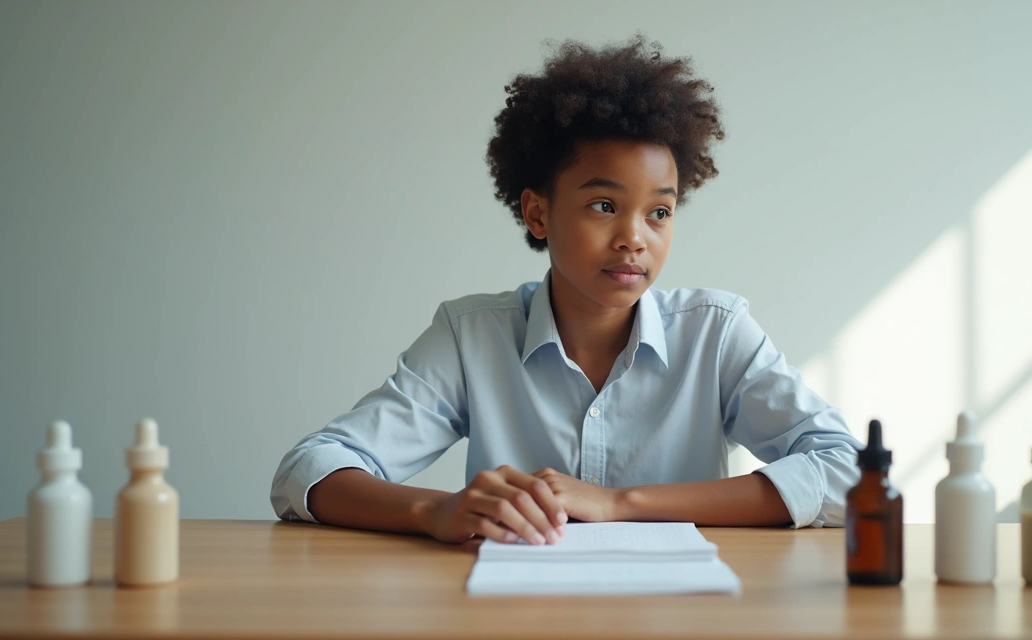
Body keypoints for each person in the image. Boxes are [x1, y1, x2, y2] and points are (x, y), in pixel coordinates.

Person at [270, 36, 861, 547]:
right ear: (538, 212)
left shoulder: (716, 332)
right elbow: (308, 469)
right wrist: (434, 510)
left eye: (660, 211)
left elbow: (850, 475)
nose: (634, 238)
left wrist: (621, 503)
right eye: (604, 206)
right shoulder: (471, 335)